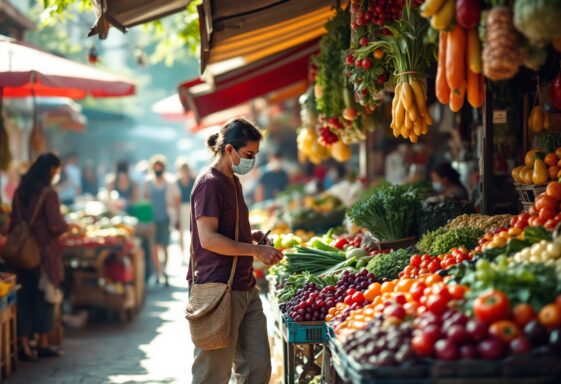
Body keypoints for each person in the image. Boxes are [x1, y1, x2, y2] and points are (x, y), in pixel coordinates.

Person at [189, 118, 283, 384]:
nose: (252, 160)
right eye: (249, 154)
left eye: (255, 154)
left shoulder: (233, 180)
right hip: (218, 289)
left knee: (258, 369)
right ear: (229, 149)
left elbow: (225, 228)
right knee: (212, 375)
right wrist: (255, 251)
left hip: (245, 286)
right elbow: (208, 239)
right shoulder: (209, 183)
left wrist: (248, 235)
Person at [9, 153, 68, 361]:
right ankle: (43, 343)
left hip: (21, 254)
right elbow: (55, 225)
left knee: (24, 298)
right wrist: (66, 225)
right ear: (51, 170)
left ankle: (24, 345)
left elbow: (13, 222)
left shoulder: (20, 191)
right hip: (43, 253)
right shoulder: (48, 194)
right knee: (44, 298)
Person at [145, 155, 180, 286]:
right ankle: (157, 272)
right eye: (156, 167)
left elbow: (177, 199)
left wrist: (177, 218)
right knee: (154, 247)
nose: (158, 169)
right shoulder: (148, 182)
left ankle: (164, 271)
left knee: (164, 247)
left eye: (160, 167)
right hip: (152, 219)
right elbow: (145, 199)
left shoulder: (170, 182)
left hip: (166, 218)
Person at [176, 158, 195, 264]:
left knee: (192, 232)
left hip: (191, 207)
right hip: (180, 208)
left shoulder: (193, 179)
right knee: (181, 233)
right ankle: (182, 255)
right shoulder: (176, 181)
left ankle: (191, 254)